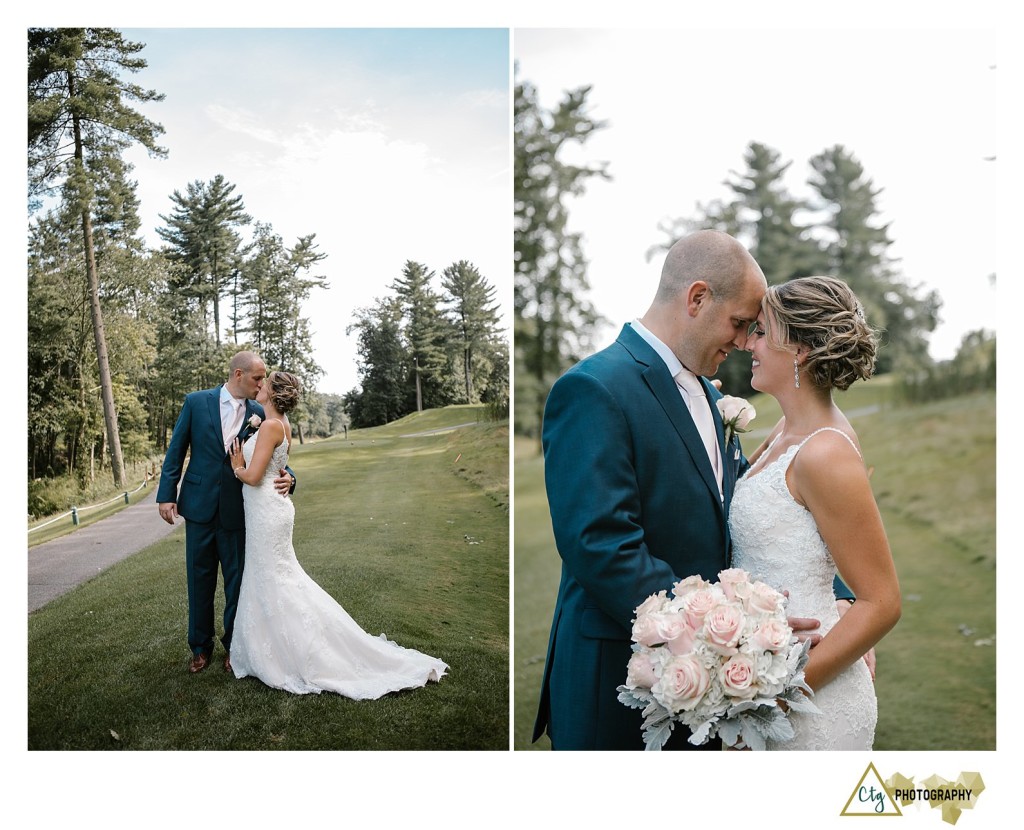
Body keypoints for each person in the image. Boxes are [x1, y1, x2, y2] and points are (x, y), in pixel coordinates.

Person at [535, 229, 786, 750]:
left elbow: (745, 513)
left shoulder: (709, 395)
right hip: (619, 678)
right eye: (740, 323)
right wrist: (723, 633)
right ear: (697, 298)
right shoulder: (595, 388)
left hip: (703, 690)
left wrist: (837, 597)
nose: (744, 343)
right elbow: (601, 545)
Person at [730, 276, 901, 749]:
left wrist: (780, 695)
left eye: (762, 331)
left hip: (811, 698)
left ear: (800, 350)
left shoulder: (825, 452)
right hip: (763, 668)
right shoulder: (787, 427)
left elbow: (883, 601)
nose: (748, 343)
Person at [227, 371, 448, 697]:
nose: (258, 387)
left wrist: (236, 465)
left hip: (266, 512)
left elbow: (256, 475)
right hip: (268, 511)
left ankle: (291, 653)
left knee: (275, 579)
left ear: (273, 394)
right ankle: (270, 647)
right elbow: (279, 467)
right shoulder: (277, 423)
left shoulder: (272, 425)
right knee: (273, 578)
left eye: (264, 384)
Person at [157, 351, 295, 674]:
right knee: (199, 580)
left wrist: (291, 478)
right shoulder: (195, 403)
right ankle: (199, 648)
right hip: (199, 507)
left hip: (240, 509)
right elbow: (176, 450)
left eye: (263, 379)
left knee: (237, 583)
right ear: (237, 375)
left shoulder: (262, 411)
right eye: (257, 378)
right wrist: (166, 495)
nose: (262, 384)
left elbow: (278, 458)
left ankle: (235, 646)